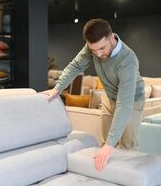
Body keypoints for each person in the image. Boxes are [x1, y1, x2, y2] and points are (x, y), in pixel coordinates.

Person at [42, 18, 145, 171]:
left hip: (131, 100)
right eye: (93, 50)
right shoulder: (93, 48)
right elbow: (76, 65)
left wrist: (110, 144)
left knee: (127, 145)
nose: (98, 54)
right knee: (105, 144)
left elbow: (124, 104)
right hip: (109, 97)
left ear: (111, 37)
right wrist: (57, 88)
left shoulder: (127, 59)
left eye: (102, 48)